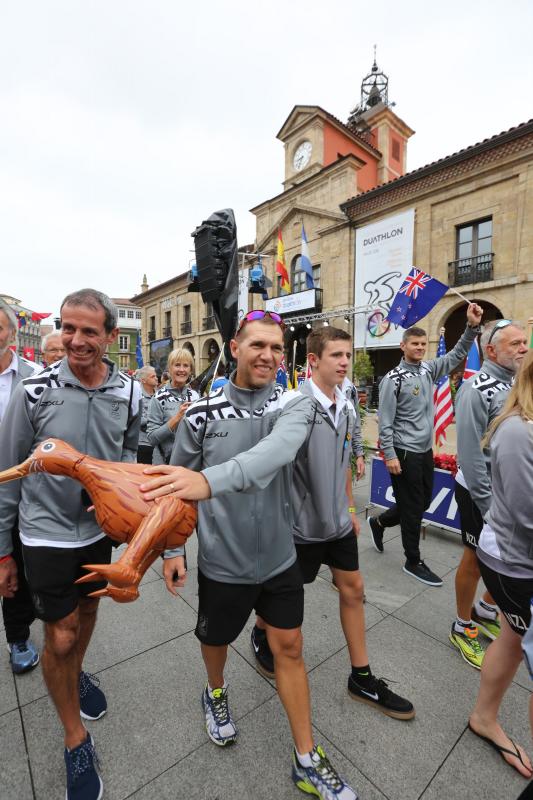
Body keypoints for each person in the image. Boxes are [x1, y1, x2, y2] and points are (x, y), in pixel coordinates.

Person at [140, 310, 359, 800]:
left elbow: (277, 452)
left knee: (291, 648)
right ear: (234, 348)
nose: (268, 355)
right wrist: (173, 548)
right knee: (215, 640)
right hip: (223, 561)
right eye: (257, 345)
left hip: (280, 557)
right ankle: (215, 691)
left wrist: (209, 480)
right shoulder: (199, 415)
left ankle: (306, 757)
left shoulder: (293, 406)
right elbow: (176, 489)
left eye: (277, 348)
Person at [0, 289, 141, 800]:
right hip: (43, 533)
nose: (75, 340)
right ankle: (74, 737)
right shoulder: (33, 391)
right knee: (58, 635)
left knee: (85, 613)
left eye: (88, 331)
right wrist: (1, 550)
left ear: (109, 336)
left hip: (97, 534)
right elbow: (8, 474)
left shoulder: (129, 392)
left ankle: (77, 673)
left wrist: (116, 492)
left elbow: (129, 451)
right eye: (67, 328)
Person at [251, 326, 414, 721]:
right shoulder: (291, 405)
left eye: (347, 355)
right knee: (283, 601)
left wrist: (349, 510)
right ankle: (260, 630)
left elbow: (343, 461)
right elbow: (268, 467)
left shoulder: (348, 402)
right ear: (313, 361)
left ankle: (361, 676)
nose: (344, 363)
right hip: (299, 528)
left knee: (353, 589)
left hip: (337, 523)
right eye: (336, 356)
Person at [369, 303, 483, 587]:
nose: (420, 348)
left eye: (423, 343)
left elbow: (457, 354)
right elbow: (385, 421)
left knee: (419, 502)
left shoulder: (428, 370)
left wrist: (471, 328)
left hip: (424, 451)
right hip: (404, 453)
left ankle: (379, 522)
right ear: (403, 346)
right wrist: (390, 456)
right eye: (415, 344)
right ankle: (413, 560)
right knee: (412, 509)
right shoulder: (392, 380)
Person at [468, 350, 533, 779]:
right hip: (513, 558)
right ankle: (485, 718)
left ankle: (483, 717)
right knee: (513, 636)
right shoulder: (517, 430)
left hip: (518, 556)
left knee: (511, 637)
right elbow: (527, 512)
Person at [450, 320, 528, 669]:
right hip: (479, 493)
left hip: (507, 492)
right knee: (475, 559)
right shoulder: (474, 389)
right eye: (515, 344)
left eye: (525, 342)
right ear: (491, 350)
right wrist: (490, 508)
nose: (523, 349)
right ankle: (462, 625)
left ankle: (483, 608)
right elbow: (470, 457)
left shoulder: (517, 383)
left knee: (503, 563)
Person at [0, 299, 41, 674]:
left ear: (12, 333)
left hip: (20, 489)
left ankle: (17, 636)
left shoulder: (34, 377)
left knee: (14, 564)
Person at [147, 348, 199, 465]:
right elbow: (152, 438)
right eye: (177, 365)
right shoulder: (159, 398)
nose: (182, 370)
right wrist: (177, 418)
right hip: (166, 464)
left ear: (190, 370)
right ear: (169, 369)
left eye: (186, 365)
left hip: (191, 464)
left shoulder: (195, 396)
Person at [135, 364, 159, 464]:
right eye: (152, 376)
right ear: (143, 380)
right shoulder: (137, 395)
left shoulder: (160, 395)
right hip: (143, 444)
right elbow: (139, 420)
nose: (156, 378)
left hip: (158, 445)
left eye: (156, 376)